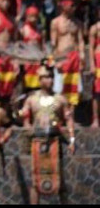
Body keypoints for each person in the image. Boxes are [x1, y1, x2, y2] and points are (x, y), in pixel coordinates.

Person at [20, 66, 75, 205]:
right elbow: (25, 119)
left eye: (51, 77)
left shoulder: (60, 99)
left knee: (60, 179)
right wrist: (29, 129)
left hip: (55, 142)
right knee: (35, 179)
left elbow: (68, 119)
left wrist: (72, 140)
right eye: (46, 77)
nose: (49, 80)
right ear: (40, 80)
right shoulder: (31, 99)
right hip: (37, 142)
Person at [50, 0, 85, 108]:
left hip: (74, 56)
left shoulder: (78, 23)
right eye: (71, 5)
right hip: (62, 57)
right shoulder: (55, 22)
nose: (74, 8)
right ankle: (60, 116)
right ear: (64, 7)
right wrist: (55, 61)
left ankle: (71, 115)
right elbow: (53, 44)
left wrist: (82, 56)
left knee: (74, 88)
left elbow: (80, 41)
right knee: (60, 87)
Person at [19, 6, 44, 93]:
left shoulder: (39, 30)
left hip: (37, 61)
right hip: (27, 62)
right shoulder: (23, 30)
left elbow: (42, 47)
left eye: (35, 16)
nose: (33, 19)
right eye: (31, 16)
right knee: (27, 86)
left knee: (38, 85)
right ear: (27, 16)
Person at [89, 7, 100, 127]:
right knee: (97, 93)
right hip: (98, 61)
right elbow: (91, 47)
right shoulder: (95, 28)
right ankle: (95, 119)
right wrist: (92, 64)